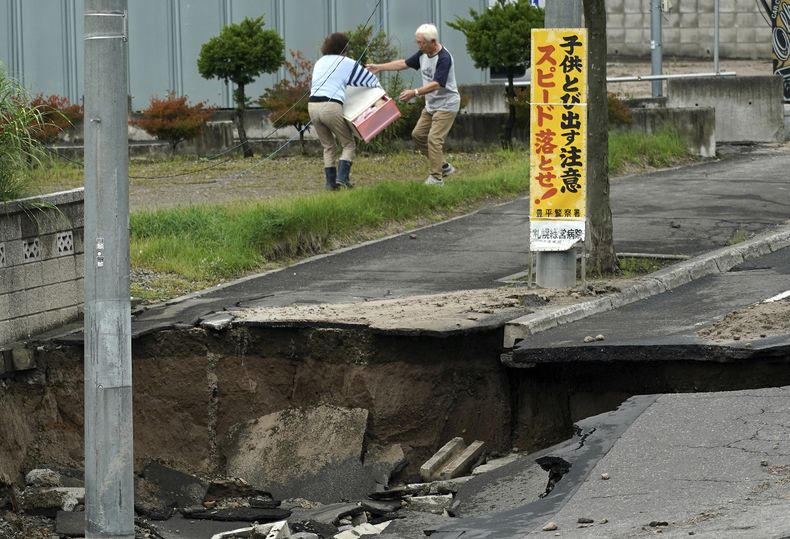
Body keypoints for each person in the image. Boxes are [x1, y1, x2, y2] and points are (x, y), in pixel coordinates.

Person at [367, 23, 460, 186]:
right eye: (417, 42)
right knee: (418, 135)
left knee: (434, 139)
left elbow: (437, 84)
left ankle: (436, 178)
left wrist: (415, 92)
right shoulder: (423, 54)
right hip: (431, 105)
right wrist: (379, 67)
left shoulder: (444, 58)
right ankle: (443, 166)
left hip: (447, 105)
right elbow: (403, 64)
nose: (418, 45)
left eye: (421, 42)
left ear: (432, 41)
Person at [309, 32, 381, 190]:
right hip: (331, 106)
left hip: (312, 106)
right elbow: (371, 81)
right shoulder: (346, 61)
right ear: (344, 48)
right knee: (348, 144)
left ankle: (330, 185)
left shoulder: (320, 62)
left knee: (328, 146)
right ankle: (343, 178)